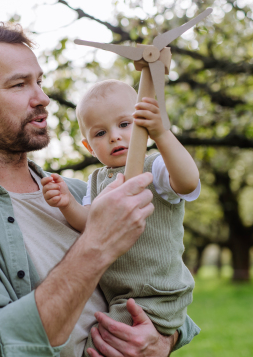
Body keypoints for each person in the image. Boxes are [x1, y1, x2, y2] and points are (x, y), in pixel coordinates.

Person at [0, 21, 200, 357]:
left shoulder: (79, 193)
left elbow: (159, 280)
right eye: (19, 85)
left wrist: (162, 340)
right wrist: (97, 240)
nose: (42, 98)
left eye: (40, 82)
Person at [41, 80, 200, 356]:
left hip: (156, 293)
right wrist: (67, 203)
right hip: (125, 295)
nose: (114, 136)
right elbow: (88, 222)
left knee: (103, 348)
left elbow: (187, 182)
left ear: (144, 126)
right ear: (88, 146)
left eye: (125, 125)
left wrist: (162, 133)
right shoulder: (95, 181)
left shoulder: (156, 166)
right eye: (101, 133)